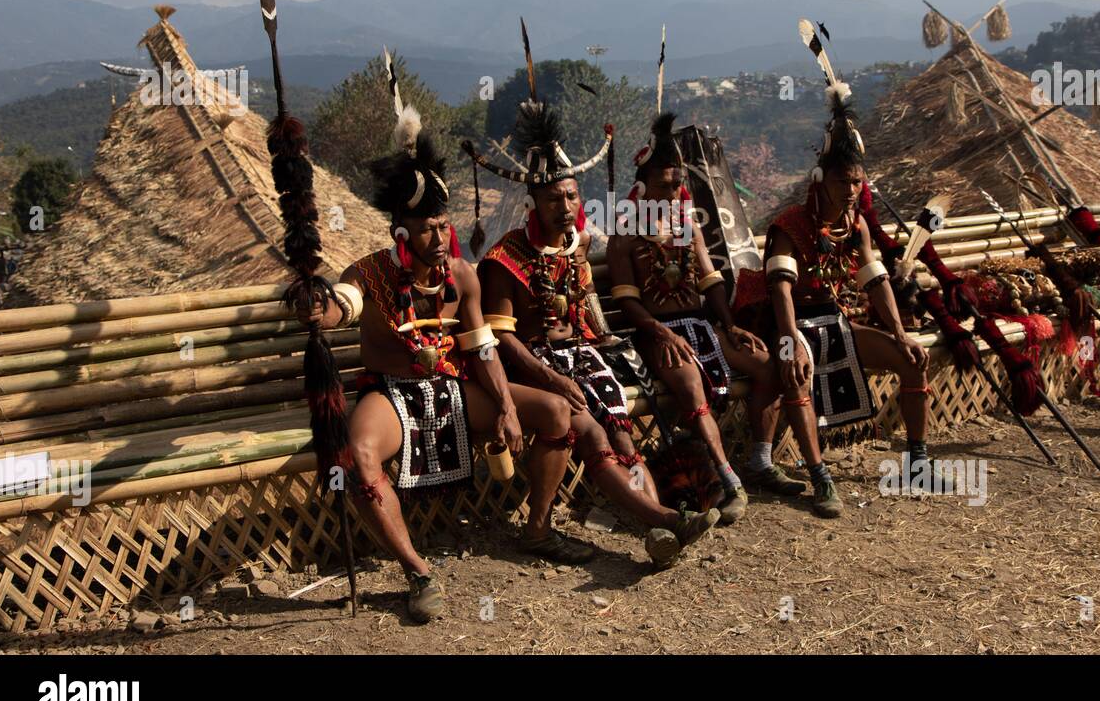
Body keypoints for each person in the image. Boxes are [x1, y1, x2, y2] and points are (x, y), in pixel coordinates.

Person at [300, 111, 593, 623]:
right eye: (427, 230)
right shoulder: (370, 272)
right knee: (361, 453)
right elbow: (340, 305)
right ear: (400, 233)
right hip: (391, 392)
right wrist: (316, 304)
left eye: (443, 226)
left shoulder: (462, 275)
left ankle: (539, 529)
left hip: (453, 388)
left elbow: (482, 347)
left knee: (553, 414)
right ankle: (417, 571)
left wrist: (504, 404)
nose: (440, 238)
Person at [462, 57, 720, 569]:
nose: (565, 205)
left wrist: (607, 341)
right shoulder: (503, 260)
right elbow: (499, 340)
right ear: (534, 203)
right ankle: (665, 521)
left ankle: (657, 516)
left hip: (580, 355)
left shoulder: (575, 248)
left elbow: (584, 310)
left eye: (572, 195)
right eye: (554, 198)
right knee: (593, 432)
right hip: (529, 367)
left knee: (621, 431)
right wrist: (551, 379)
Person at [742, 81, 931, 517]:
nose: (850, 190)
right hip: (788, 323)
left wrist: (900, 332)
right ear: (820, 179)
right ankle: (820, 477)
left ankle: (918, 459)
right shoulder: (789, 224)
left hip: (836, 323)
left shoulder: (857, 225)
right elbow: (780, 290)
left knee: (912, 358)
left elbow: (876, 281)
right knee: (796, 374)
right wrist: (789, 342)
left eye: (857, 182)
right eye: (843, 181)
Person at [606, 113, 796, 524]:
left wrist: (730, 326)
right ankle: (730, 482)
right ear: (642, 188)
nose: (674, 191)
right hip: (654, 334)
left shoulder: (688, 227)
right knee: (691, 387)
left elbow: (711, 282)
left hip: (703, 328)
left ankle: (760, 460)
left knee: (767, 367)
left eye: (678, 184)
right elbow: (627, 303)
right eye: (664, 185)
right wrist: (660, 334)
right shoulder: (624, 236)